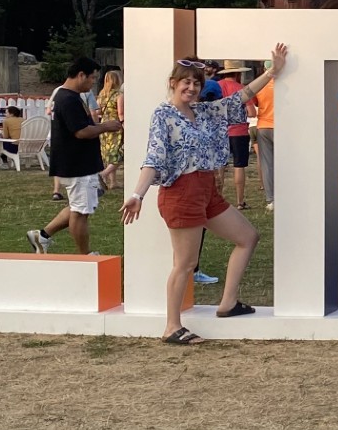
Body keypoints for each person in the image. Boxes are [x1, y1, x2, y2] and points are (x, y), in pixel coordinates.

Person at [121, 48, 286, 345]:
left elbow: (241, 96)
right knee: (185, 264)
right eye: (185, 82)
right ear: (173, 83)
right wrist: (137, 194)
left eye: (196, 83)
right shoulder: (163, 114)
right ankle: (172, 327)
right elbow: (154, 157)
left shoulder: (204, 111)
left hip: (207, 189)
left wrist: (272, 72)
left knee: (248, 237)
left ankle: (228, 303)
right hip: (182, 192)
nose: (191, 87)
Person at [27, 58, 122, 255]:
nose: (92, 83)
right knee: (81, 213)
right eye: (92, 78)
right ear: (81, 75)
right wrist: (106, 126)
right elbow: (80, 131)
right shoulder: (68, 99)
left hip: (73, 162)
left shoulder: (63, 95)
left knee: (77, 205)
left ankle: (42, 235)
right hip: (77, 164)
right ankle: (84, 255)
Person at [217, 62, 253, 209]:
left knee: (220, 166)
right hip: (239, 131)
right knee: (239, 166)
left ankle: (218, 197)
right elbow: (252, 112)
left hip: (220, 131)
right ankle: (240, 201)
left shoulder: (217, 86)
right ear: (238, 73)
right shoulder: (241, 89)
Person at [97, 69, 125, 190]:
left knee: (109, 155)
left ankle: (113, 182)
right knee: (119, 154)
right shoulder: (119, 95)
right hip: (115, 126)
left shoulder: (101, 95)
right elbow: (121, 113)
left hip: (104, 127)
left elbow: (97, 112)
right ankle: (103, 174)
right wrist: (124, 126)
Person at [254, 72, 277, 211]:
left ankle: (271, 199)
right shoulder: (284, 84)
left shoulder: (260, 85)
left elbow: (255, 102)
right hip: (281, 126)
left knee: (267, 164)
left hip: (263, 125)